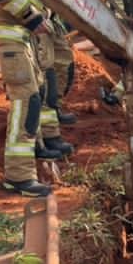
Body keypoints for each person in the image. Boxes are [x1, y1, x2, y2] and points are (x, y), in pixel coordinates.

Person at [0, 0, 52, 197]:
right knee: (26, 103)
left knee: (36, 95)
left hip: (21, 40)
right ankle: (19, 176)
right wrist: (33, 17)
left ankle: (35, 150)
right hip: (12, 41)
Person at [33, 12, 75, 161]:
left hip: (47, 16)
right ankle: (49, 135)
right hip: (36, 19)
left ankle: (54, 109)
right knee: (45, 75)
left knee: (62, 62)